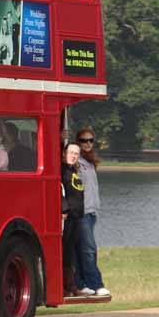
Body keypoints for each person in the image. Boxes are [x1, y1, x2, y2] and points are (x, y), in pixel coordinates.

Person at [74, 126, 110, 296]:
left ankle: (81, 284)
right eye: (83, 140)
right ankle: (96, 284)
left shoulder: (89, 162)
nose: (87, 143)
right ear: (77, 142)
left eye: (90, 140)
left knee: (83, 248)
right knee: (89, 249)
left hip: (92, 212)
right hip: (82, 212)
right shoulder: (77, 161)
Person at [60, 143, 85, 296]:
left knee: (69, 253)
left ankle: (71, 286)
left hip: (77, 217)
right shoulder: (61, 170)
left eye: (76, 153)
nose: (73, 155)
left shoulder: (73, 170)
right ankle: (63, 287)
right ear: (64, 153)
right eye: (71, 152)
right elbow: (58, 189)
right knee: (63, 252)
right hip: (67, 217)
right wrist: (64, 209)